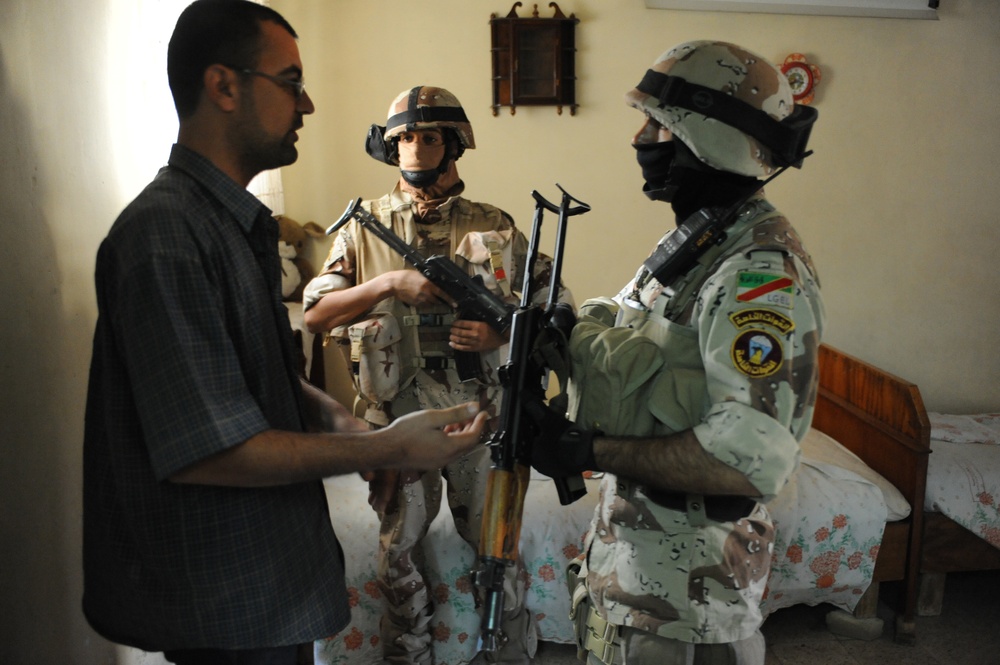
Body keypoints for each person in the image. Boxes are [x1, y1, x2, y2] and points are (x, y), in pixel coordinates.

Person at [81, 3, 487, 665]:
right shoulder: (165, 238)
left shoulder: (237, 226)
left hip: (270, 585)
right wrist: (385, 438)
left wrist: (362, 440)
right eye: (291, 81)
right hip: (224, 600)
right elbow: (210, 450)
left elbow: (276, 385)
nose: (310, 103)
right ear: (224, 85)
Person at [524, 41, 825, 665]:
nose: (642, 138)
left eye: (658, 123)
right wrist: (565, 337)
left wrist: (585, 450)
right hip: (632, 581)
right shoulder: (696, 241)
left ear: (708, 137)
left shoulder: (758, 273)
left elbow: (748, 461)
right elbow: (638, 350)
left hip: (688, 614)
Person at [302, 86, 571, 665]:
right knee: (398, 552)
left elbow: (555, 304)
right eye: (403, 137)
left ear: (454, 146)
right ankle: (410, 652)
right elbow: (316, 313)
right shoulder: (364, 227)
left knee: (495, 544)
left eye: (429, 137)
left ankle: (506, 648)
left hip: (481, 412)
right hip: (398, 415)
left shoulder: (494, 225)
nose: (414, 148)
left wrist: (501, 336)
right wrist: (387, 285)